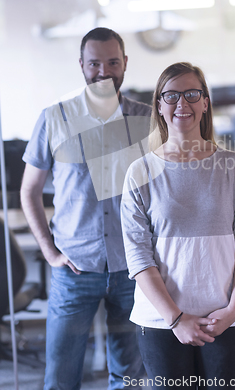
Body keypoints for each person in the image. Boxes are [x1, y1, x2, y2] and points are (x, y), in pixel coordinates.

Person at [20, 27, 151, 390]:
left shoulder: (147, 120)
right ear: (81, 65)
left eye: (112, 61)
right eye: (94, 63)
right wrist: (50, 252)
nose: (103, 71)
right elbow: (29, 191)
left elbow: (163, 191)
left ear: (125, 63)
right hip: (74, 269)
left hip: (133, 269)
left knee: (129, 378)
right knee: (61, 378)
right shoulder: (54, 118)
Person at [121, 62, 235, 389]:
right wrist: (176, 319)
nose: (181, 104)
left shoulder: (233, 166)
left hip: (226, 318)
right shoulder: (140, 172)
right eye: (171, 95)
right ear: (158, 105)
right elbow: (139, 257)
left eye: (191, 94)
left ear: (205, 102)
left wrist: (232, 310)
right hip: (162, 320)